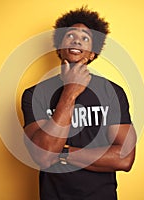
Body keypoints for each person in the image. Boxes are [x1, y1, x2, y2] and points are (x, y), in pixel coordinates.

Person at [21, 6, 137, 200]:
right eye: (70, 35)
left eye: (85, 38)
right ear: (59, 47)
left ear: (92, 53)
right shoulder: (34, 95)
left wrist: (63, 153)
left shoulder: (112, 93)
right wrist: (69, 92)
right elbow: (42, 157)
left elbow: (124, 158)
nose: (77, 39)